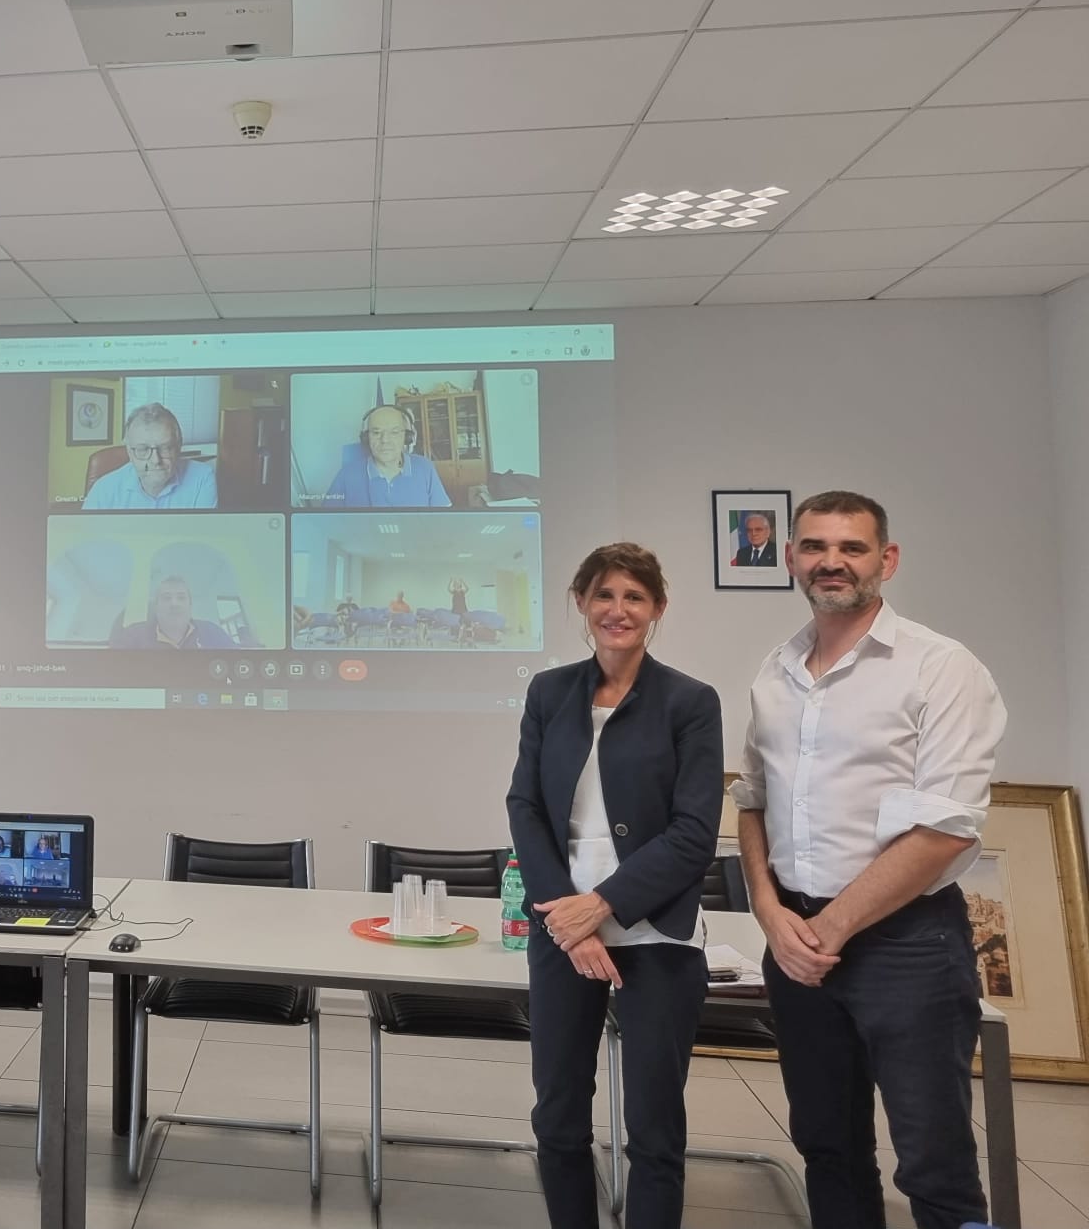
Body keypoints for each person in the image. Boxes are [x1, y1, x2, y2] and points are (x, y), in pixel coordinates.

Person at [733, 491, 1004, 1229]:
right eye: (815, 546)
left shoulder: (939, 667)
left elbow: (946, 830)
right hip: (795, 939)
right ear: (791, 559)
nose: (832, 562)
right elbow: (752, 799)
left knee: (934, 1163)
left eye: (851, 547)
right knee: (828, 1147)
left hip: (906, 943)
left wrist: (832, 928)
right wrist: (768, 909)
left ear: (887, 559)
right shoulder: (776, 670)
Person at [505, 543, 722, 1229]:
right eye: (603, 594)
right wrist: (565, 920)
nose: (617, 610)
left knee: (654, 1126)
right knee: (557, 1115)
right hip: (563, 931)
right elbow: (525, 806)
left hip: (655, 931)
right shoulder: (549, 693)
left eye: (634, 597)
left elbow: (694, 832)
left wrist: (600, 907)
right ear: (581, 602)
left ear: (657, 608)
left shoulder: (690, 701)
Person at [82, 403, 218, 509]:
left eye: (165, 448)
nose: (155, 460)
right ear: (129, 452)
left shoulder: (202, 479)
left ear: (178, 447)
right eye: (143, 449)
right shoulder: (103, 491)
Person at [322, 404, 451, 509]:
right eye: (376, 432)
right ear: (366, 438)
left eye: (394, 432)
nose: (385, 440)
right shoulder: (346, 474)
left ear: (407, 437)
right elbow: (327, 523)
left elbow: (443, 521)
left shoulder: (425, 468)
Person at [111, 574, 234, 649]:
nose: (174, 603)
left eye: (181, 597)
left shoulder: (213, 632)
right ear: (156, 607)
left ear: (190, 605)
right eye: (166, 598)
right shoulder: (132, 636)